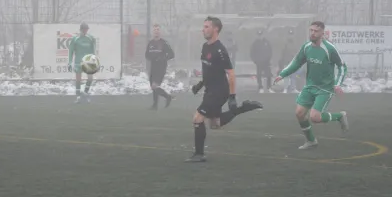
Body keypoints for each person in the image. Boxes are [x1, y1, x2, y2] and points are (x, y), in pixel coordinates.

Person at [186, 16, 263, 163]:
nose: (203, 29)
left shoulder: (220, 50)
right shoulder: (205, 46)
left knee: (197, 118)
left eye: (207, 26)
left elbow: (231, 73)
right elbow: (209, 70)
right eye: (204, 26)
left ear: (216, 29)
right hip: (210, 90)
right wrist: (200, 84)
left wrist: (232, 96)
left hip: (219, 91)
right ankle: (241, 109)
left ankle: (199, 154)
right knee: (215, 124)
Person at [274, 21, 349, 150]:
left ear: (322, 33)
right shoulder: (306, 47)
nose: (313, 33)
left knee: (315, 117)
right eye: (311, 30)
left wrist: (337, 84)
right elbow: (297, 61)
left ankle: (340, 116)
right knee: (299, 113)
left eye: (316, 31)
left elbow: (342, 67)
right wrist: (283, 74)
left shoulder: (329, 49)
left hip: (325, 88)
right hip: (310, 86)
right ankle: (311, 141)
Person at [145, 24, 175, 109]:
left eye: (158, 30)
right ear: (153, 32)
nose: (156, 31)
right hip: (153, 67)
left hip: (161, 67)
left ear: (160, 32)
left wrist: (162, 58)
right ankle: (156, 105)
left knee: (155, 85)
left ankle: (167, 97)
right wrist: (150, 57)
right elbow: (146, 55)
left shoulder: (164, 43)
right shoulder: (150, 43)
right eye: (155, 30)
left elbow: (172, 54)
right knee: (153, 87)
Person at [68, 22, 96, 103]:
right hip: (78, 61)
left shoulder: (91, 38)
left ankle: (85, 93)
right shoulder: (75, 39)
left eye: (87, 29)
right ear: (81, 29)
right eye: (84, 29)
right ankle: (78, 97)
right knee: (78, 80)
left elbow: (93, 50)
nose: (85, 31)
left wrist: (93, 60)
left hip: (88, 61)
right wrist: (70, 62)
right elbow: (71, 51)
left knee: (90, 78)